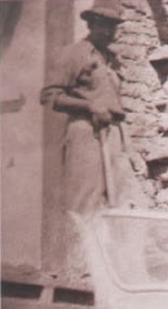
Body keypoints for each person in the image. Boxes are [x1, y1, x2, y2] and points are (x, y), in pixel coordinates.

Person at [40, 0, 126, 215]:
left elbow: (118, 106)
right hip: (86, 131)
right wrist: (89, 106)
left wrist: (128, 147)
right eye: (103, 24)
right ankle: (79, 249)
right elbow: (50, 96)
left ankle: (105, 249)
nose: (108, 31)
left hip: (113, 133)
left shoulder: (113, 60)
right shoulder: (73, 54)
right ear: (91, 24)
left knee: (118, 202)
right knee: (85, 203)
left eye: (113, 26)